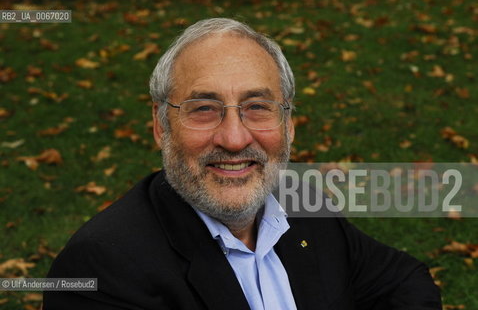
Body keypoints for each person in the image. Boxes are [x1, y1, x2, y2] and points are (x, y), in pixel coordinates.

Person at [43, 18, 442, 310]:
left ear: (288, 125)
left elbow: (404, 281)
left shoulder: (301, 201)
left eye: (257, 107)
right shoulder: (100, 269)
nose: (234, 139)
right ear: (161, 127)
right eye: (203, 109)